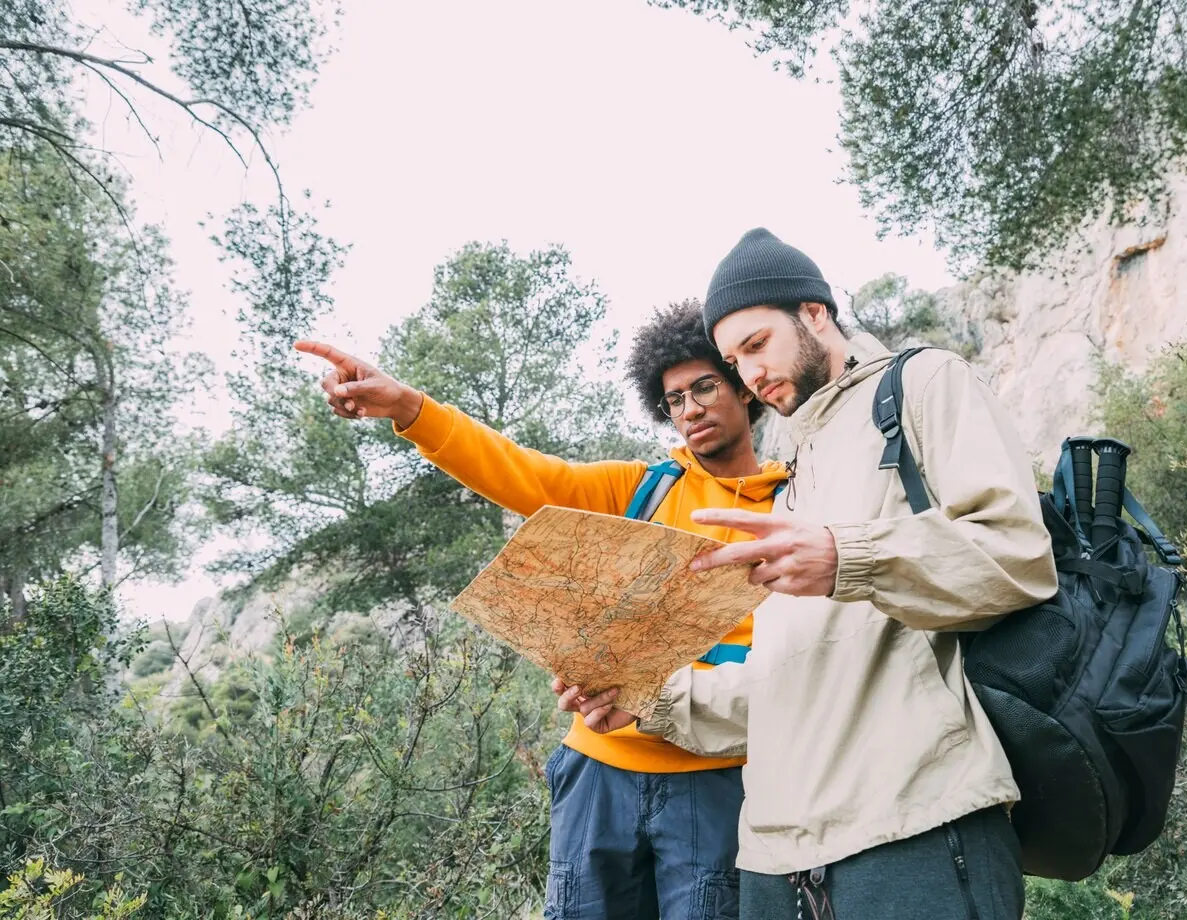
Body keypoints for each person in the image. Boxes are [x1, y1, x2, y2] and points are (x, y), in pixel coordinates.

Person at [566, 229, 1059, 919]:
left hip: (913, 830)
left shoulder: (920, 385)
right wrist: (650, 700)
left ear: (815, 314)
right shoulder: (791, 467)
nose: (749, 374)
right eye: (734, 360)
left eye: (756, 344)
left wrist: (844, 557)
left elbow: (1017, 557)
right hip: (775, 864)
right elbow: (789, 682)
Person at [296, 298, 788, 920]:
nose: (689, 409)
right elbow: (520, 473)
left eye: (704, 387)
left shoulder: (795, 506)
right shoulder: (641, 486)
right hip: (597, 774)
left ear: (744, 388)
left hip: (718, 784)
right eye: (673, 400)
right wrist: (407, 408)